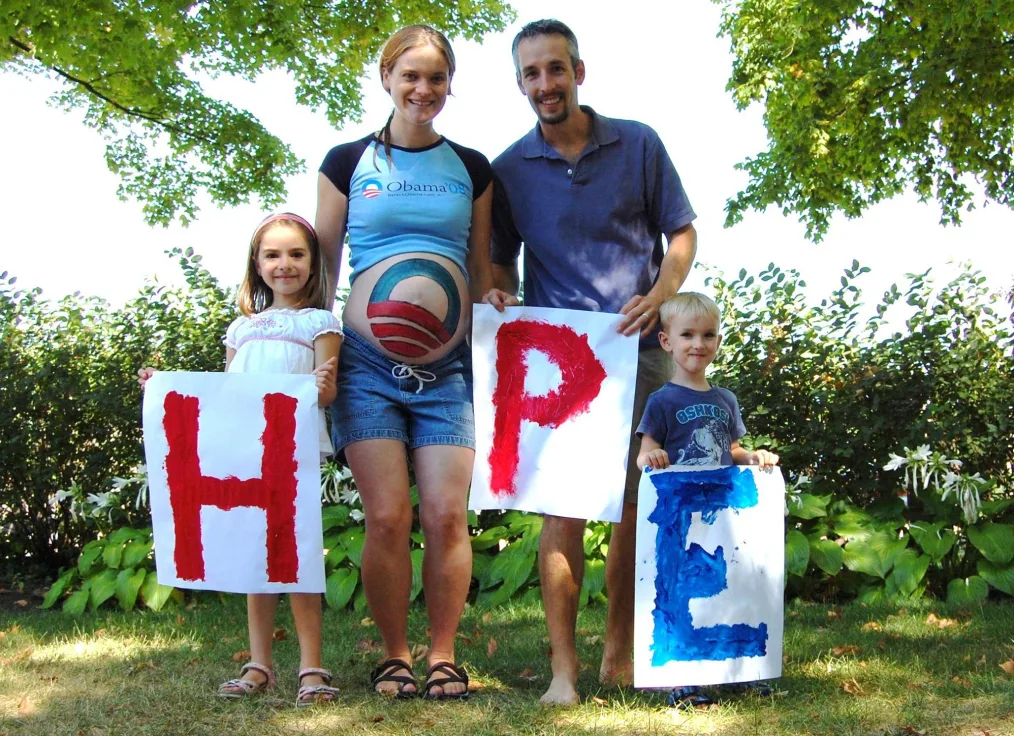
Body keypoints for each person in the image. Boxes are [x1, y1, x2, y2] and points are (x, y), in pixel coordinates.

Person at [488, 18, 699, 705]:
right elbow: (498, 261)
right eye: (531, 74)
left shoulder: (638, 144)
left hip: (638, 355)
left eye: (555, 69)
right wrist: (500, 293)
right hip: (558, 370)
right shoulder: (509, 168)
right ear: (521, 84)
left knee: (637, 511)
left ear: (579, 71)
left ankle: (617, 647)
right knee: (564, 514)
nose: (544, 84)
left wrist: (662, 295)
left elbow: (682, 233)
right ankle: (562, 671)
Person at [314, 25, 509, 700]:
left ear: (449, 84)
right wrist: (313, 352)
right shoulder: (345, 163)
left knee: (447, 517)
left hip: (449, 372)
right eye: (411, 76)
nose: (423, 89)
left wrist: (496, 294)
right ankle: (395, 654)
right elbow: (324, 267)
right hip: (365, 367)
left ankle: (444, 656)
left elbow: (482, 268)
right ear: (387, 79)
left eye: (436, 78)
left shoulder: (474, 169)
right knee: (389, 517)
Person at [139, 212, 342, 707]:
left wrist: (319, 388)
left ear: (313, 264)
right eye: (273, 254)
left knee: (295, 556)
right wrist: (165, 388)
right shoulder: (241, 328)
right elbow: (225, 396)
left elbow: (329, 390)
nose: (285, 264)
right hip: (248, 453)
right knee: (258, 558)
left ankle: (311, 667)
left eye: (297, 254)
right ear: (256, 263)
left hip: (291, 456)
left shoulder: (321, 322)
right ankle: (259, 664)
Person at [635, 291, 779, 709]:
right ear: (667, 342)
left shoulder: (725, 401)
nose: (698, 344)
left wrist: (752, 457)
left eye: (708, 335)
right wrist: (653, 457)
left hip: (719, 514)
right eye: (687, 335)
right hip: (679, 517)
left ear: (717, 341)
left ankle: (740, 666)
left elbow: (731, 451)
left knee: (731, 586)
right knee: (676, 589)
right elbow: (645, 454)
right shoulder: (661, 401)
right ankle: (678, 678)